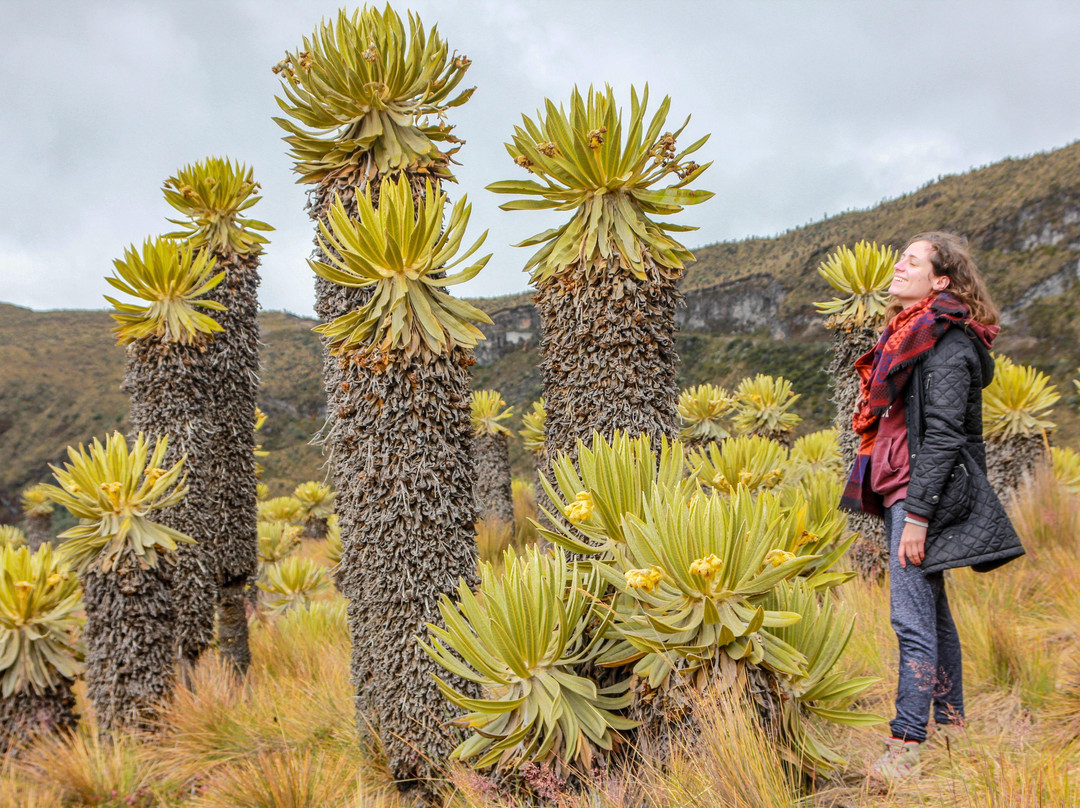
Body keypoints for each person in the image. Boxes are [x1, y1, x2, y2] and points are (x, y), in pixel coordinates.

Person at [839, 231, 1025, 782]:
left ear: (940, 280)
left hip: (923, 496)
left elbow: (943, 435)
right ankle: (951, 727)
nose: (899, 266)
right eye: (901, 257)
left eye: (912, 261)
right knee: (933, 614)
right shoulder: (915, 334)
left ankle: (905, 745)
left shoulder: (945, 341)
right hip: (911, 488)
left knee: (910, 617)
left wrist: (916, 516)